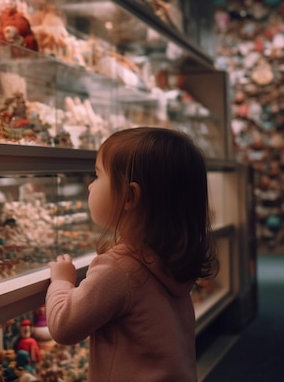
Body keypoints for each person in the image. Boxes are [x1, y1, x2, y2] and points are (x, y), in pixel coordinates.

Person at [46, 127, 218, 382]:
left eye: (97, 175)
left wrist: (61, 282)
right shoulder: (171, 258)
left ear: (129, 196)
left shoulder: (118, 270)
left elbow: (64, 326)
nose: (91, 185)